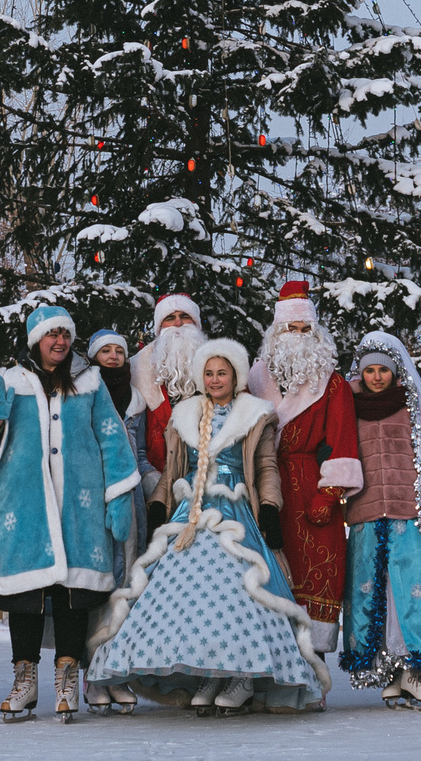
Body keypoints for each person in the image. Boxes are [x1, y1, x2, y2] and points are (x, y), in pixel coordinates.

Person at [88, 338, 328, 714]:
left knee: (239, 594)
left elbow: (265, 467)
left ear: (235, 376)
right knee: (186, 594)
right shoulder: (185, 415)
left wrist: (268, 508)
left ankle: (242, 677)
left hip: (236, 510)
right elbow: (172, 471)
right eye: (210, 374)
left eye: (223, 373)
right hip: (191, 514)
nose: (216, 380)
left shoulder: (255, 414)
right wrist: (158, 505)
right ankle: (210, 673)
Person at [0, 304, 140, 722]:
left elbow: (112, 438)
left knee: (72, 596)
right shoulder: (10, 381)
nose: (60, 341)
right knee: (24, 597)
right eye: (52, 334)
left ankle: (67, 678)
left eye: (65, 334)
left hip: (79, 506)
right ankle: (24, 681)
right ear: (36, 340)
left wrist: (118, 495)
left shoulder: (90, 381)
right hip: (23, 507)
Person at [338, 330, 421, 708]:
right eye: (370, 370)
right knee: (374, 595)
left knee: (413, 590)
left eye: (384, 370)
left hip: (409, 513)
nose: (377, 377)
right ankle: (392, 673)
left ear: (396, 373)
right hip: (365, 514)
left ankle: (414, 669)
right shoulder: (349, 407)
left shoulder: (409, 405)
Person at [245, 281, 363, 657]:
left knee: (316, 572)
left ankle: (315, 664)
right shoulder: (253, 378)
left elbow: (344, 441)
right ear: (276, 333)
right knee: (270, 573)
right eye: (289, 329)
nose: (297, 337)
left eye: (304, 329)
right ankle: (274, 665)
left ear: (316, 333)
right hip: (263, 486)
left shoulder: (332, 384)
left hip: (311, 483)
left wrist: (330, 493)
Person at [81, 326, 142, 714]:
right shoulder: (86, 394)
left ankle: (118, 670)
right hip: (93, 496)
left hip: (132, 496)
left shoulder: (138, 399)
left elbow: (147, 450)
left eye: (119, 351)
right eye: (105, 351)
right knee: (97, 582)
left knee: (127, 581)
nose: (114, 357)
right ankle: (92, 674)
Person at [129, 293, 206, 524]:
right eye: (169, 318)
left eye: (185, 316)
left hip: (210, 484)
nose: (178, 324)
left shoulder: (218, 364)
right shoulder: (136, 370)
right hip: (157, 487)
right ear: (159, 327)